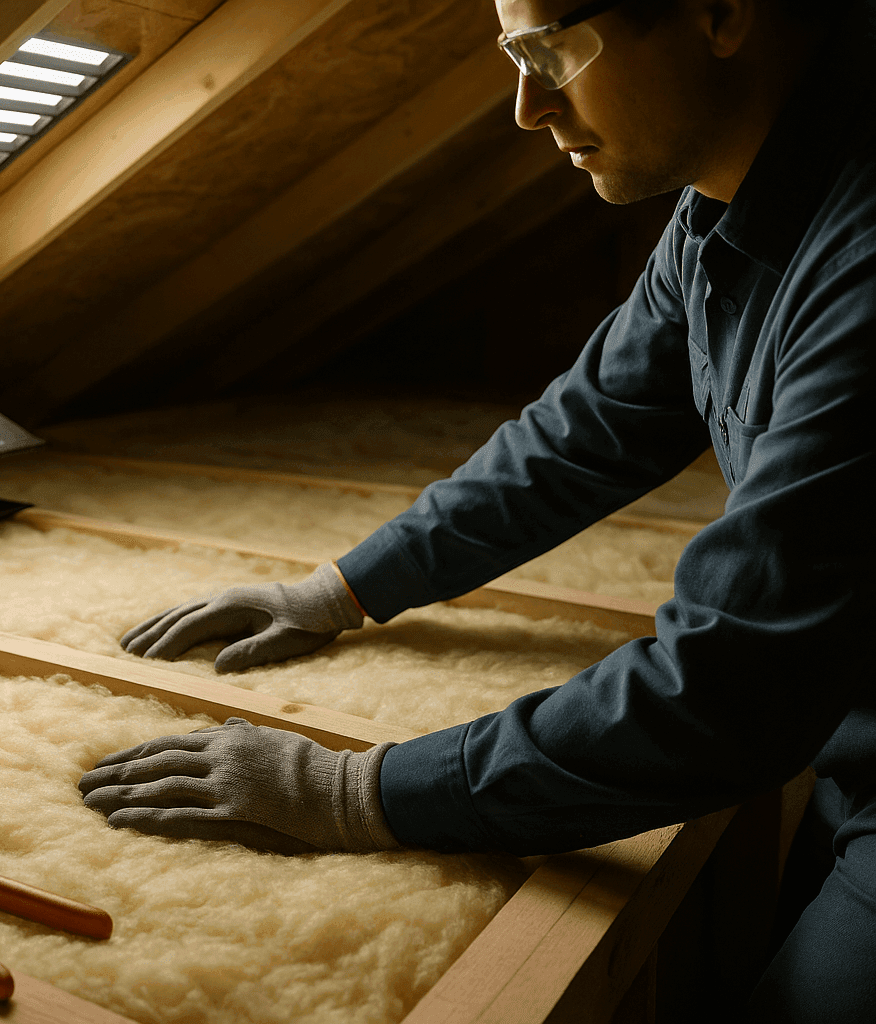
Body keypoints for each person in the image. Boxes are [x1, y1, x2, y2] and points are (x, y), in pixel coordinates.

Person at [75, 0, 876, 1018]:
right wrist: (342, 588)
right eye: (514, 53)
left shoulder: (861, 264)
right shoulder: (732, 193)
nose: (526, 106)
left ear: (721, 12)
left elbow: (728, 691)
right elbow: (590, 427)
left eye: (551, 50)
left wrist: (351, 792)